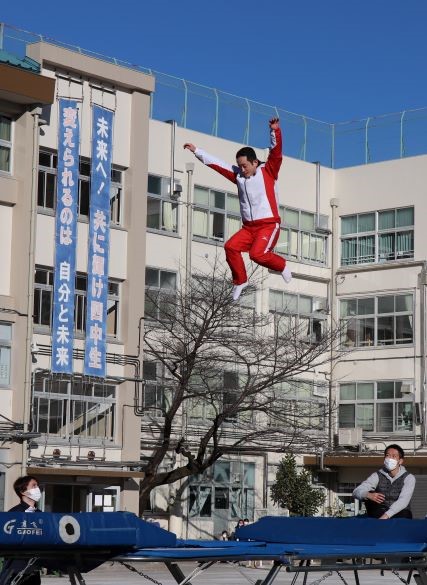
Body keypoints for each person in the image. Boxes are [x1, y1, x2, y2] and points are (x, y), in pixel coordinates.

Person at [184, 118, 292, 301]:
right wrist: (197, 151)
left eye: (245, 166)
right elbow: (217, 164)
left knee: (257, 255)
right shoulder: (239, 176)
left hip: (268, 225)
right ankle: (240, 280)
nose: (242, 170)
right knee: (231, 247)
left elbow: (276, 152)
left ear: (255, 162)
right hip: (249, 228)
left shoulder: (268, 171)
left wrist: (275, 131)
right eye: (240, 166)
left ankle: (282, 266)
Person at [352, 444, 415, 519]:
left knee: (405, 513)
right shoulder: (377, 475)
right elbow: (356, 492)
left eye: (394, 456)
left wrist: (386, 516)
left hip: (400, 513)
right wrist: (368, 495)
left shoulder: (409, 478)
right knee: (369, 496)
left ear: (400, 461)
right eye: (387, 455)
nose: (390, 459)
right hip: (379, 512)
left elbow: (403, 501)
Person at [0, 476, 42, 585]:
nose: (37, 488)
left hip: (34, 569)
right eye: (34, 485)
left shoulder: (41, 515)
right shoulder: (13, 514)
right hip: (14, 569)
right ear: (23, 491)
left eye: (37, 486)